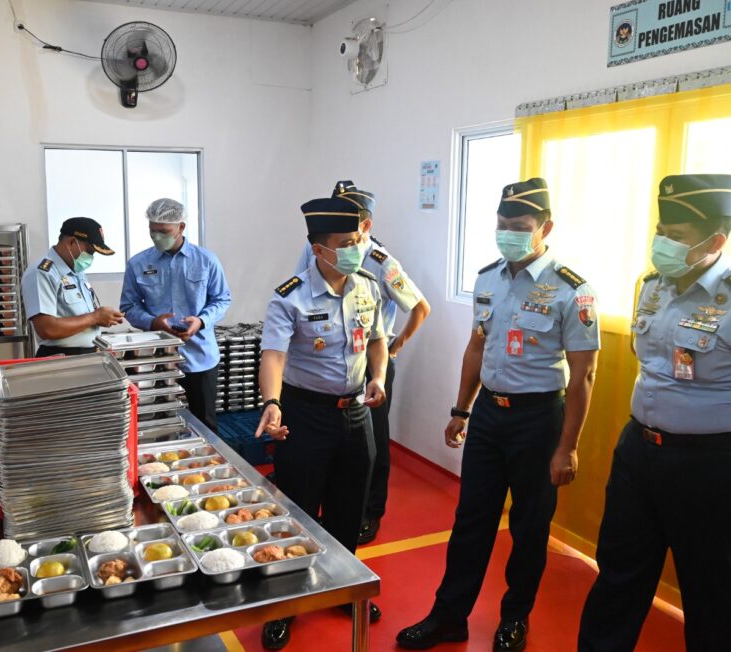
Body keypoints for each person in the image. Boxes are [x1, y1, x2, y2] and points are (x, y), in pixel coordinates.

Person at [397, 178, 600, 651]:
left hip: (539, 419)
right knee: (471, 520)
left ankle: (514, 618)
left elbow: (584, 374)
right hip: (489, 413)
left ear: (546, 228)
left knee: (530, 527)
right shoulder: (488, 278)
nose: (508, 234)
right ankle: (449, 616)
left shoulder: (572, 290)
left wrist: (567, 447)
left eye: (520, 226)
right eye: (502, 224)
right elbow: (477, 346)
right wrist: (461, 409)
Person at [579, 174, 731, 652]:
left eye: (677, 236)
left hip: (714, 467)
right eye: (660, 230)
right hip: (640, 454)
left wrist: (721, 437)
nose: (662, 243)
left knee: (711, 597)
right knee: (617, 578)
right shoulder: (651, 286)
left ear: (716, 241)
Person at [254, 192, 389, 650]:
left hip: (356, 413)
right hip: (305, 414)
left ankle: (343, 589)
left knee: (349, 510)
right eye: (346, 243)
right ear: (319, 249)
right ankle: (287, 603)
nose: (357, 248)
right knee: (298, 511)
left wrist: (378, 377)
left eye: (358, 239)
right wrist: (272, 402)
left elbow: (377, 339)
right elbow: (273, 355)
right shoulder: (289, 296)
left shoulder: (367, 285)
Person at [293, 180, 431, 544]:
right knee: (333, 445)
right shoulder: (318, 248)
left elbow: (420, 308)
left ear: (366, 225)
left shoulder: (380, 262)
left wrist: (393, 349)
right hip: (328, 358)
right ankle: (330, 506)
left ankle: (370, 511)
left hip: (370, 361)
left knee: (372, 443)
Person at [119, 198, 231, 432]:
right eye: (153, 231)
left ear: (181, 227)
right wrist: (153, 322)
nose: (157, 237)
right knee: (156, 421)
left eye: (164, 232)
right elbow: (129, 306)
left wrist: (201, 321)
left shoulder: (206, 261)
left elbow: (221, 299)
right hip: (155, 359)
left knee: (205, 422)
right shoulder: (138, 263)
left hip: (200, 356)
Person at [21, 217, 123, 356]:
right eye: (89, 251)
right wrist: (95, 317)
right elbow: (47, 329)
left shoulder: (77, 271)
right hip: (61, 358)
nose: (91, 257)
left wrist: (102, 323)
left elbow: (82, 319)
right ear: (71, 243)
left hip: (88, 355)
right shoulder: (42, 272)